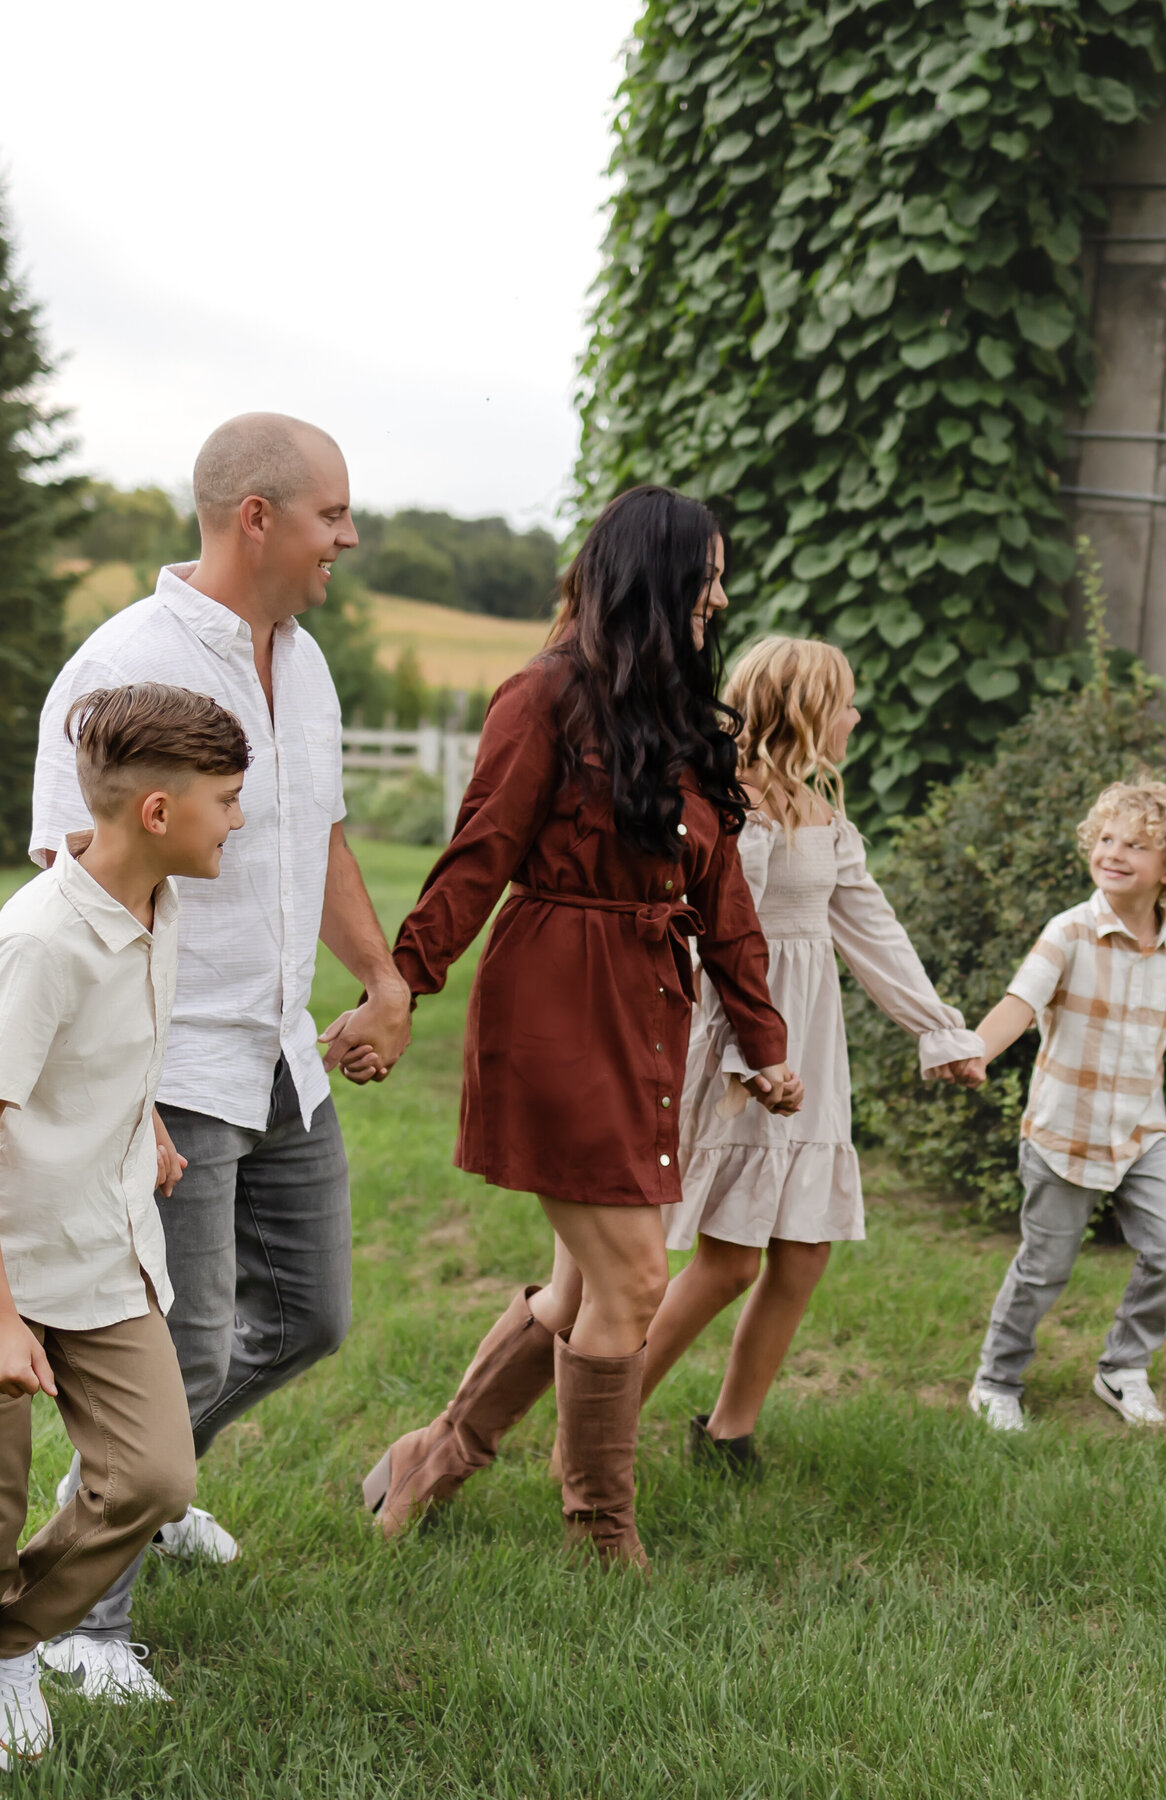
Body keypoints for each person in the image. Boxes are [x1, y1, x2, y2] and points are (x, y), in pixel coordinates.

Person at [30, 414, 411, 1701]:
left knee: (310, 1314)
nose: (348, 541)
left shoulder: (304, 667)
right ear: (259, 518)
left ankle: (151, 1479)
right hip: (173, 1064)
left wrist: (381, 972)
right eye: (333, 517)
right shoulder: (122, 667)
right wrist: (124, 1104)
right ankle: (86, 1624)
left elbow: (325, 837)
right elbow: (72, 898)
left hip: (281, 1049)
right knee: (184, 1344)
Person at [350, 486, 800, 1570]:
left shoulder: (685, 721)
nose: (721, 596)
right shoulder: (544, 696)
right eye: (707, 574)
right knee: (638, 1280)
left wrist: (764, 1037)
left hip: (647, 1003)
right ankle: (602, 1532)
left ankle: (433, 1456)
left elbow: (724, 900)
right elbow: (479, 854)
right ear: (655, 578)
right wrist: (402, 985)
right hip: (554, 1000)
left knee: (581, 1286)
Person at [637, 637, 983, 1470]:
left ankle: (728, 1434)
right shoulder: (726, 807)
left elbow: (875, 935)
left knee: (804, 1250)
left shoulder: (828, 821)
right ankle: (597, 1427)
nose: (857, 718)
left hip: (812, 1044)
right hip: (742, 1045)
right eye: (847, 704)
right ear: (804, 712)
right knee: (727, 1259)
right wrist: (742, 1053)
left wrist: (939, 1029)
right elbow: (697, 938)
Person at [0, 683, 249, 1768]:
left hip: (104, 1246)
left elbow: (95, 1049)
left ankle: (14, 1635)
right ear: (158, 812)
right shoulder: (39, 941)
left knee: (155, 1478)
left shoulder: (161, 906)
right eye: (227, 800)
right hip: (8, 1263)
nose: (237, 820)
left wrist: (137, 1114)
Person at [969, 778, 1166, 1433]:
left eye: (1137, 844)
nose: (1115, 851)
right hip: (1063, 1132)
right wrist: (975, 1051)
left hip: (1141, 1130)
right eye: (1106, 838)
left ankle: (1123, 1368)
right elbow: (1021, 1002)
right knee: (1045, 1268)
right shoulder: (1068, 932)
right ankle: (996, 1380)